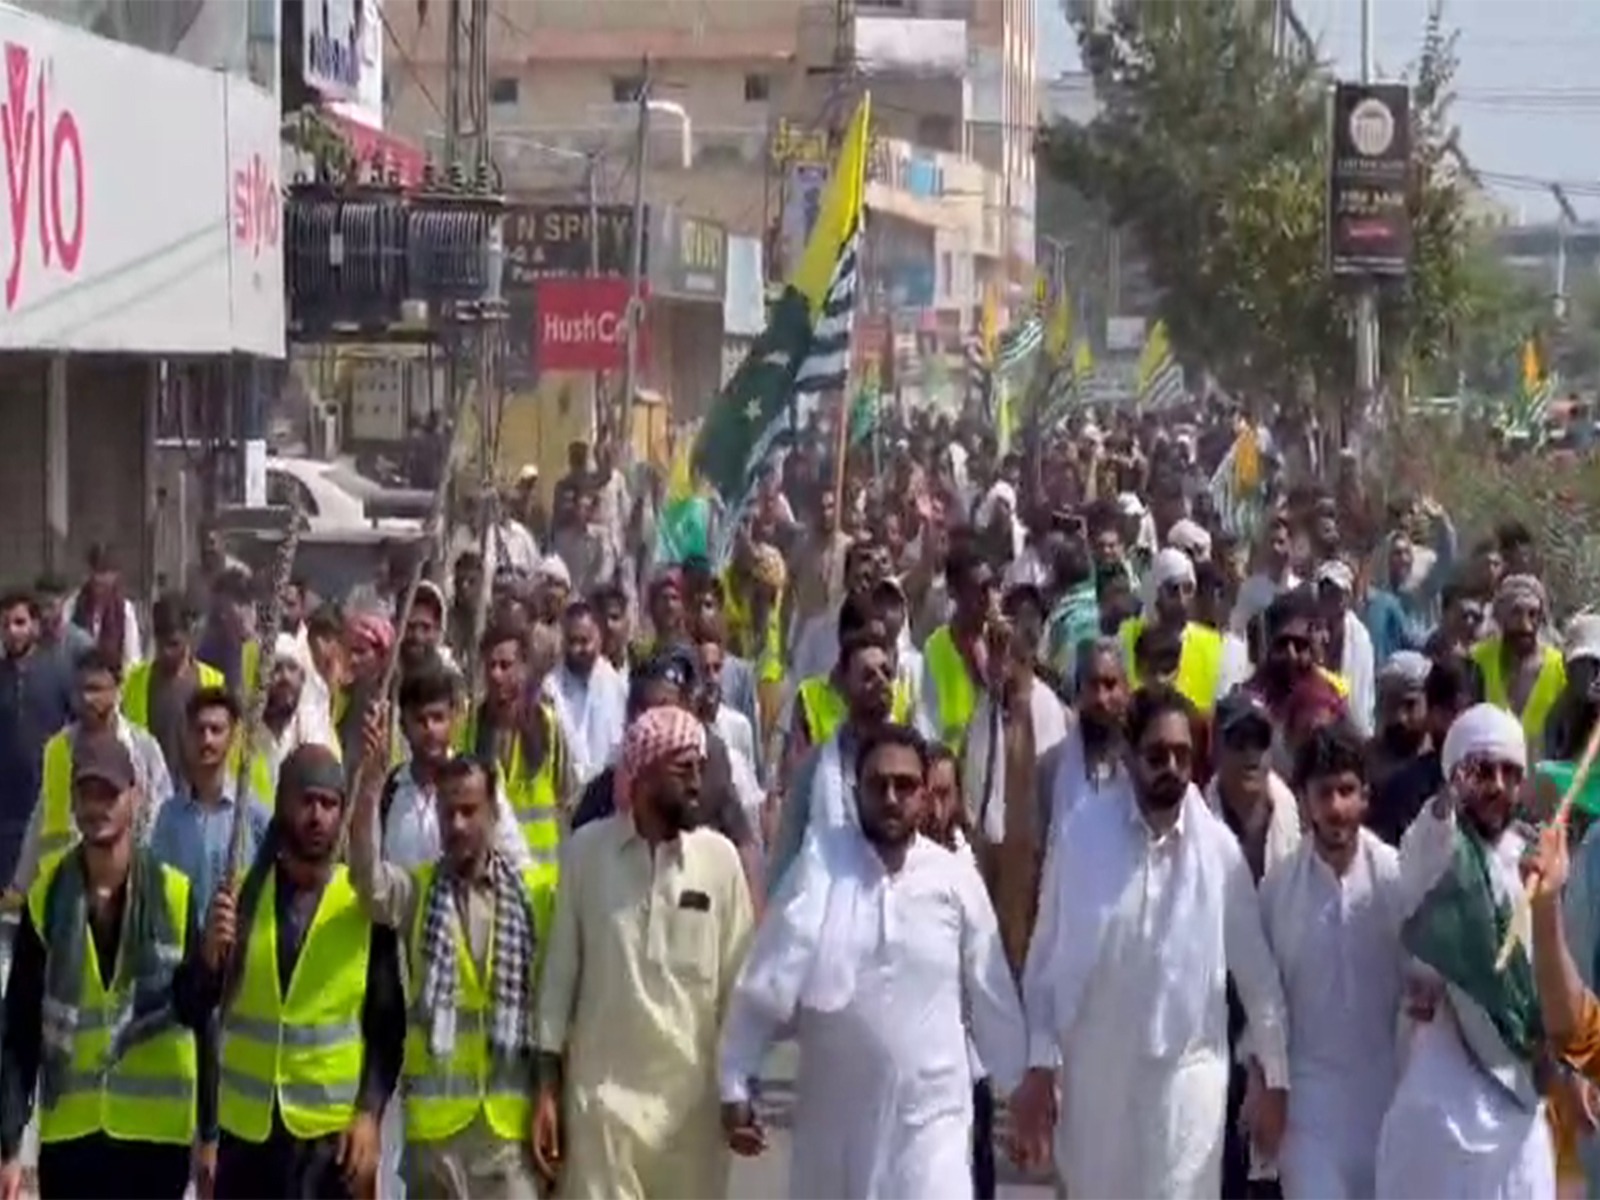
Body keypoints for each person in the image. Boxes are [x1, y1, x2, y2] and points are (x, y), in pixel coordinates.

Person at [718, 724, 1026, 1199]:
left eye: (905, 785)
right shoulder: (821, 867)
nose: (890, 796)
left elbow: (992, 991)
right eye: (878, 784)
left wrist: (1023, 1090)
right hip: (835, 1131)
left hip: (931, 1125)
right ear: (855, 789)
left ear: (924, 795)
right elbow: (770, 974)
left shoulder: (952, 878)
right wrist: (735, 1079)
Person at [1013, 686, 1290, 1197]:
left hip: (1186, 1089)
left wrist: (1274, 1077)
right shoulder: (1082, 835)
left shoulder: (1217, 852)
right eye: (1157, 755)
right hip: (1098, 1084)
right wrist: (1037, 1065)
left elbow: (1258, 976)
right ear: (1128, 754)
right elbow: (1047, 958)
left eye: (1182, 755)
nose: (1172, 767)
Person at [533, 706, 755, 1198]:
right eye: (683, 770)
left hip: (691, 1122)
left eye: (700, 768)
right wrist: (546, 1088)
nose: (697, 783)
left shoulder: (720, 864)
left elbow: (739, 993)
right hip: (603, 1112)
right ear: (643, 775)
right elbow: (559, 978)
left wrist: (740, 1092)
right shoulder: (586, 854)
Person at [176, 744, 405, 1199]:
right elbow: (191, 1008)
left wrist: (369, 1115)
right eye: (307, 802)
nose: (317, 816)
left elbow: (387, 1025)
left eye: (329, 804)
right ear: (283, 805)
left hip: (329, 1146)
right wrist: (206, 959)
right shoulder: (241, 901)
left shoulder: (362, 908)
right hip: (247, 1141)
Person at [347, 709, 554, 1199]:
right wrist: (369, 790)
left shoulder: (535, 897)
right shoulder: (418, 891)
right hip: (435, 1139)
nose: (457, 824)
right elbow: (366, 881)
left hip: (507, 1135)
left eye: (469, 811)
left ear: (493, 813)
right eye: (447, 813)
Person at [0, 735, 200, 1199]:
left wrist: (208, 1137)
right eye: (86, 794)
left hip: (156, 1142)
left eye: (109, 794)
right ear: (71, 801)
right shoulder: (46, 899)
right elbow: (19, 1030)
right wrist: (9, 1143)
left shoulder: (175, 896)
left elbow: (198, 1013)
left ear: (136, 796)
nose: (97, 807)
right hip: (73, 1141)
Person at [1376, 702, 1555, 1197]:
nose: (1496, 785)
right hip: (1439, 1110)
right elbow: (1423, 851)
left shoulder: (1534, 861)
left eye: (1509, 773)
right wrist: (1446, 801)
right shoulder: (1438, 847)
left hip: (1517, 1099)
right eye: (1481, 771)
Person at [1258, 723, 1405, 1199]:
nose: (1337, 807)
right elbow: (1263, 1000)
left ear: (1365, 796)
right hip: (1308, 1111)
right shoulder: (1278, 889)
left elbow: (1425, 981)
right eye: (1325, 793)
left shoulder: (1396, 879)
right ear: (1303, 799)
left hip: (1388, 1102)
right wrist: (1265, 1084)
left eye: (1348, 791)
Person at [14, 648, 171, 893]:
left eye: (96, 689)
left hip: (124, 881)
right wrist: (21, 883)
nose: (87, 699)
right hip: (64, 884)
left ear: (117, 690)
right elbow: (42, 816)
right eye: (81, 690)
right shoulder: (58, 748)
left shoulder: (142, 749)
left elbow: (160, 814)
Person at [766, 631, 899, 894]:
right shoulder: (814, 769)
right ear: (843, 684)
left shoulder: (912, 762)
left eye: (886, 672)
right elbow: (785, 860)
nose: (880, 682)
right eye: (868, 675)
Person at [0, 588, 75, 887]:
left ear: (35, 625)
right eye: (5, 625)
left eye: (19, 623)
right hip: (5, 811)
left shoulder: (58, 671)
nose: (12, 632)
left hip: (48, 803)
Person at [122, 591, 223, 778]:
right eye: (161, 645)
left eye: (174, 644)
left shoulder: (212, 683)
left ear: (188, 635)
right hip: (149, 792)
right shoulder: (135, 683)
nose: (166, 652)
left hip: (196, 793)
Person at [1118, 547, 1226, 714]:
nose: (1181, 599)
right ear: (1156, 592)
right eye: (1172, 589)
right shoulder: (1127, 638)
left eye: (1188, 589)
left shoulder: (1212, 644)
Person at [1472, 574, 1566, 754]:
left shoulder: (1559, 666)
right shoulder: (1479, 660)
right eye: (1516, 613)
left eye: (1533, 614)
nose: (1526, 626)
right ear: (1501, 616)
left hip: (1542, 778)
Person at [544, 601, 628, 786]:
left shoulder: (616, 686)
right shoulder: (549, 690)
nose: (577, 650)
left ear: (598, 637)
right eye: (572, 641)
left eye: (584, 641)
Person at [69, 543, 142, 670]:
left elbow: (132, 661)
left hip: (113, 684)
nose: (98, 579)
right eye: (95, 571)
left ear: (115, 575)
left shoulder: (125, 610)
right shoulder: (73, 604)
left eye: (104, 572)